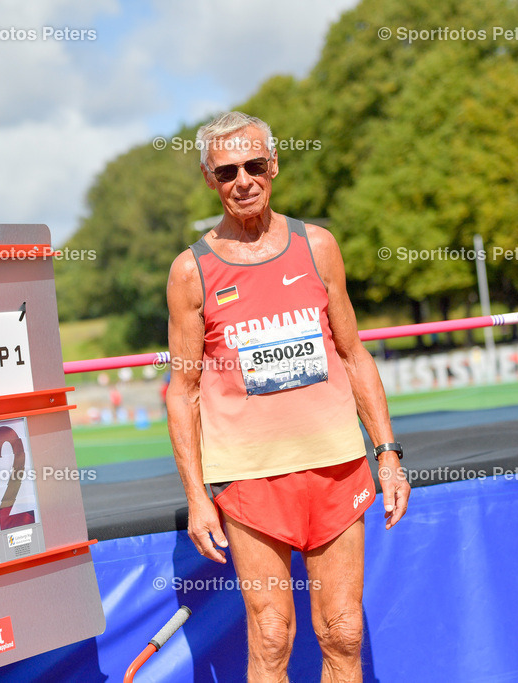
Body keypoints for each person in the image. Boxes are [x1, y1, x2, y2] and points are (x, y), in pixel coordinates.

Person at [165, 111, 410, 682]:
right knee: (272, 636)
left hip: (335, 466)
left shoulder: (318, 246)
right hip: (249, 478)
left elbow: (354, 355)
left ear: (273, 165)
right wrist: (197, 497)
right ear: (209, 178)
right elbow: (183, 392)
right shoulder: (190, 271)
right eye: (227, 172)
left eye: (254, 165)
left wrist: (388, 455)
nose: (243, 181)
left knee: (343, 631)